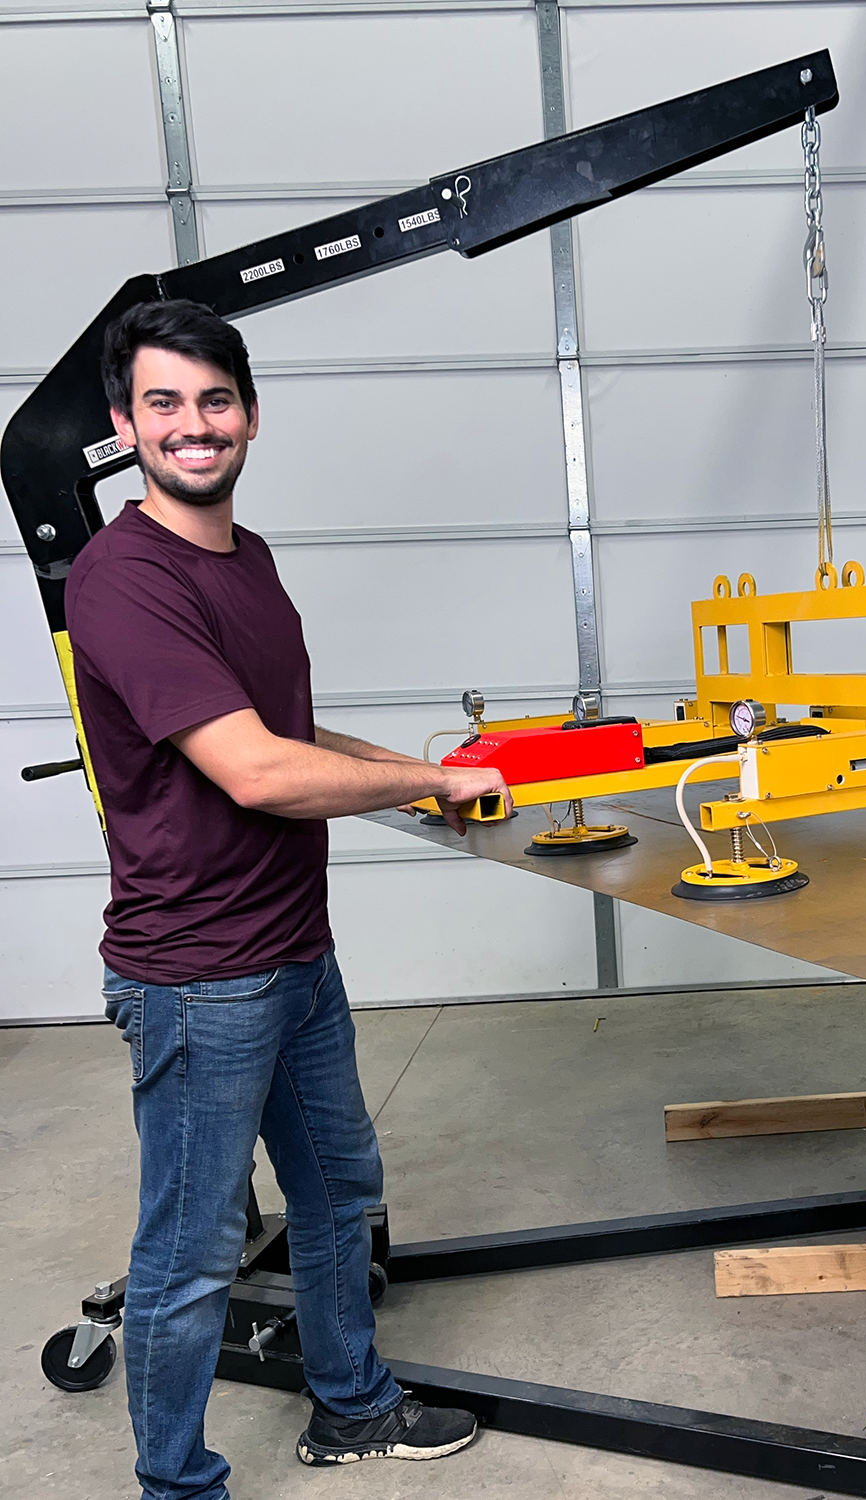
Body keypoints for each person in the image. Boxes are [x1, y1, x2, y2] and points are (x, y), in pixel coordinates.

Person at [64, 298, 513, 1500]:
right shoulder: (118, 579)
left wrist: (411, 786)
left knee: (336, 1196)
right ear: (125, 425)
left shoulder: (246, 558)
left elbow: (287, 732)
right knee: (191, 1252)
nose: (193, 425)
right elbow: (254, 771)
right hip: (198, 979)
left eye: (216, 400)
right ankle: (179, 1487)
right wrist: (424, 776)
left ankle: (352, 1405)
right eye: (164, 403)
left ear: (250, 415)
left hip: (292, 952)